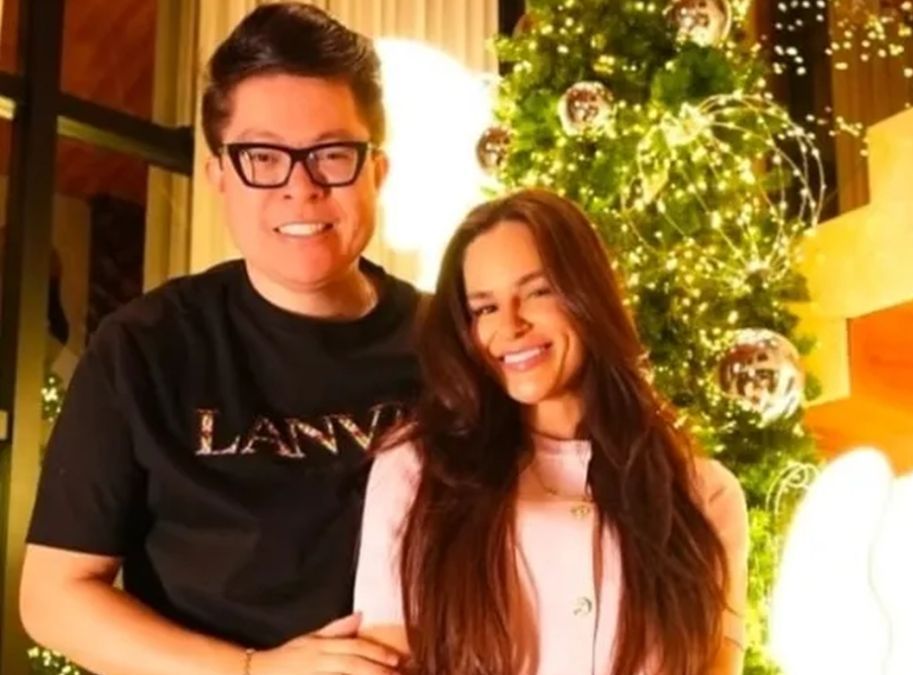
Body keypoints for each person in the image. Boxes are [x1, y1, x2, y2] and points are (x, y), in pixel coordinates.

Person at [21, 4, 416, 674]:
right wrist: (253, 670)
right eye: (263, 156)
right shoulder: (144, 347)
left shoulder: (455, 340)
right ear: (219, 177)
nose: (301, 187)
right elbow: (54, 597)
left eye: (331, 154)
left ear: (376, 171)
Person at [354, 188, 749, 675]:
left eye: (538, 292)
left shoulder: (705, 494)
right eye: (485, 308)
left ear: (588, 295)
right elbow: (383, 663)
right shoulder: (416, 469)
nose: (511, 325)